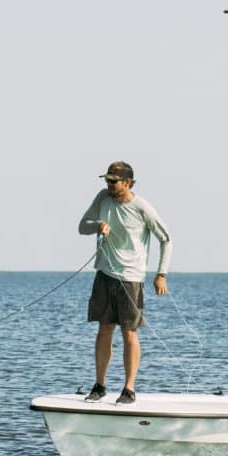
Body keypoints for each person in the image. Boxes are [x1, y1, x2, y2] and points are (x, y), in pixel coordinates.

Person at [79, 161, 171, 404]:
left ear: (127, 182)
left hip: (131, 278)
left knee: (129, 331)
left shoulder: (142, 207)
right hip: (105, 274)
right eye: (106, 180)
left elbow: (166, 239)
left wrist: (161, 274)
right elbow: (82, 227)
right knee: (104, 328)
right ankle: (99, 386)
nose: (108, 184)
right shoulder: (102, 198)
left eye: (113, 181)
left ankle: (129, 389)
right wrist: (96, 226)